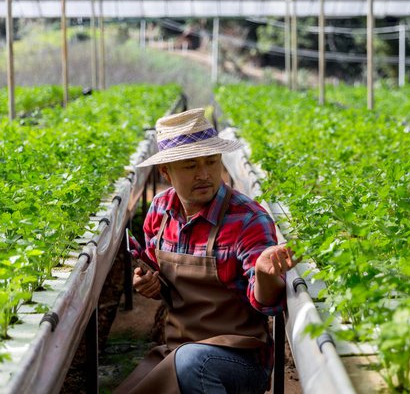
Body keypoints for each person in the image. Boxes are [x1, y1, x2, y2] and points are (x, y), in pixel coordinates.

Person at [114, 108, 296, 394]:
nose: (204, 174)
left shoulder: (248, 218)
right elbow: (155, 271)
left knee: (191, 363)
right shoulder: (160, 210)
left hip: (241, 359)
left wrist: (264, 273)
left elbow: (267, 304)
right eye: (190, 166)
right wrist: (147, 282)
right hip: (178, 351)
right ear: (166, 171)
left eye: (211, 162)